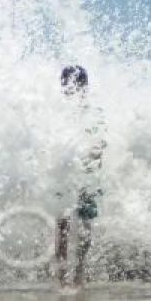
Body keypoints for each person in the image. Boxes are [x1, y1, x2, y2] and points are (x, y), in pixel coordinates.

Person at [53, 65, 105, 288]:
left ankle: (79, 271)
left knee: (84, 223)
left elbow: (100, 142)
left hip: (88, 171)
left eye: (75, 83)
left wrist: (93, 156)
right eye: (67, 83)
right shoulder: (57, 111)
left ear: (84, 85)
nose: (71, 87)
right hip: (65, 170)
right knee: (63, 223)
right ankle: (63, 272)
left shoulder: (92, 111)